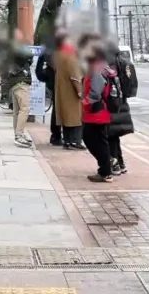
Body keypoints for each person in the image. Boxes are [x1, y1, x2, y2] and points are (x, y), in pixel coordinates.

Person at [82, 42, 117, 182]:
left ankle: (106, 170)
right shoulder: (101, 67)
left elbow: (96, 92)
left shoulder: (96, 69)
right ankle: (106, 165)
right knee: (95, 140)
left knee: (93, 140)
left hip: (96, 111)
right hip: (99, 111)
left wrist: (86, 102)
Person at [105, 41, 137, 174]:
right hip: (122, 103)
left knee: (109, 135)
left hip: (111, 104)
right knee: (115, 135)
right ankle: (121, 163)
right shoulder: (125, 62)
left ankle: (115, 164)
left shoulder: (110, 64)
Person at [2, 28, 34, 148]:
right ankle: (19, 135)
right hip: (21, 80)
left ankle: (18, 134)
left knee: (17, 110)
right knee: (24, 108)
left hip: (14, 81)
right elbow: (29, 57)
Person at [52, 32, 84, 149]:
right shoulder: (70, 55)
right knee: (75, 118)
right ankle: (75, 142)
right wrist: (80, 91)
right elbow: (75, 76)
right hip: (71, 92)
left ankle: (67, 141)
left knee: (66, 118)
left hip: (61, 90)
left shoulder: (58, 54)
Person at [36, 27, 67, 145]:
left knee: (57, 108)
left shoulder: (47, 49)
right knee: (64, 109)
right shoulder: (62, 49)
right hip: (62, 80)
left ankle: (56, 135)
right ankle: (63, 135)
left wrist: (44, 77)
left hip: (52, 80)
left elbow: (39, 67)